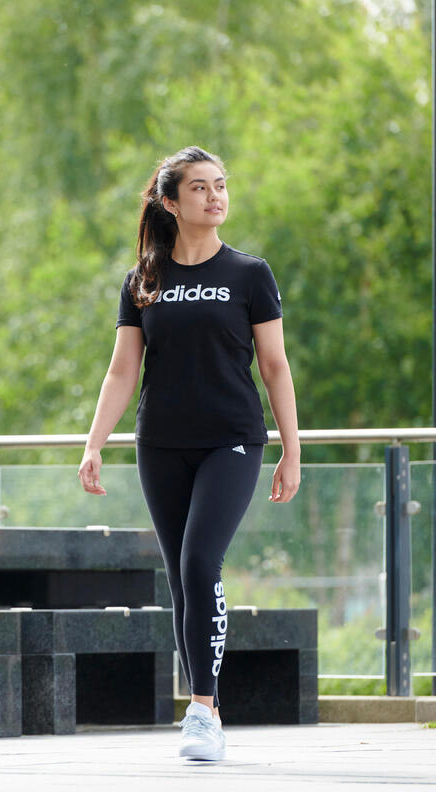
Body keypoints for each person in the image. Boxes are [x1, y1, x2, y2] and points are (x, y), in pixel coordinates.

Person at [77, 145, 300, 761]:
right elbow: (123, 371)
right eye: (199, 187)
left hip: (232, 438)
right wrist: (95, 442)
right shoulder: (143, 281)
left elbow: (276, 368)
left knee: (202, 562)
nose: (215, 195)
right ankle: (206, 707)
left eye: (221, 185)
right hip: (161, 444)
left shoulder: (250, 275)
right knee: (181, 579)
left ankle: (202, 708)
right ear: (170, 202)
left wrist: (291, 451)